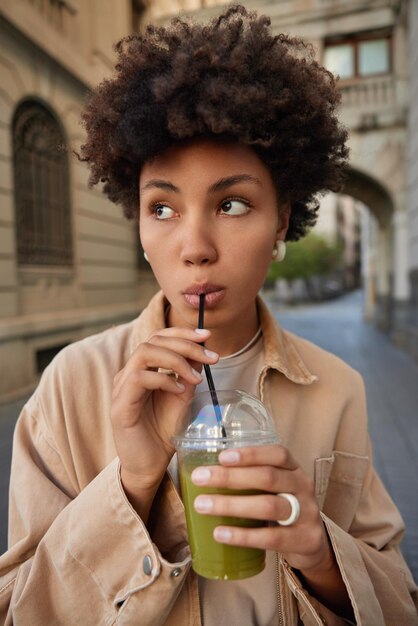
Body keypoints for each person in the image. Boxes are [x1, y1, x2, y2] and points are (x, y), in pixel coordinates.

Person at [0, 4, 417, 625]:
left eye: (232, 203)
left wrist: (321, 552)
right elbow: (19, 610)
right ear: (137, 221)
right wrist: (135, 482)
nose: (194, 246)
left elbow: (399, 602)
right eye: (162, 209)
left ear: (282, 218)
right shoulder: (71, 384)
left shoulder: (338, 392)